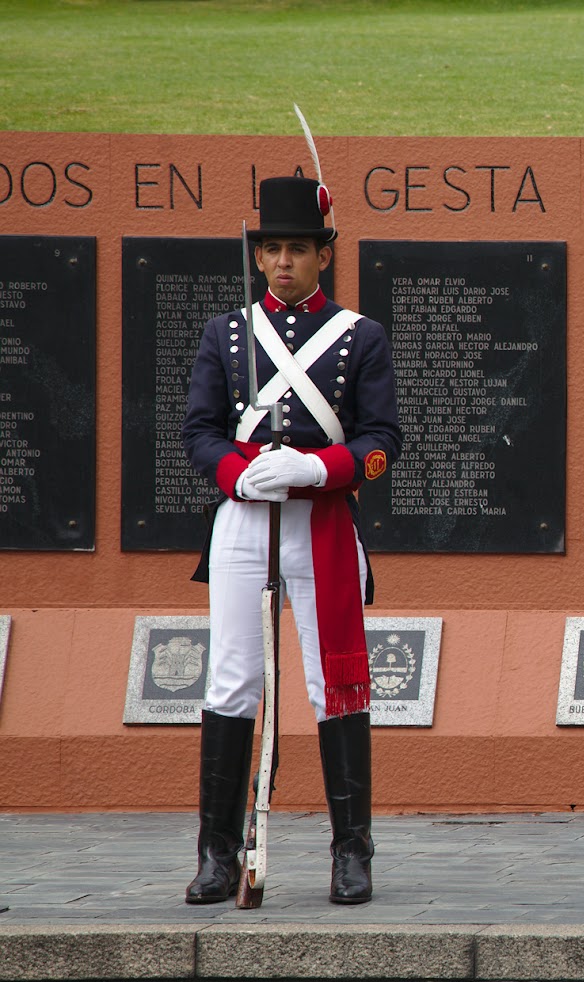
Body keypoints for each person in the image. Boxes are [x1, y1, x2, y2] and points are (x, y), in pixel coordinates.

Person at [181, 175, 401, 905]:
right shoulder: (227, 333)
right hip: (246, 521)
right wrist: (242, 475)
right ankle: (216, 852)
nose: (282, 261)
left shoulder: (359, 337)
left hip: (322, 522)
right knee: (233, 679)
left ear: (322, 256)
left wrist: (317, 465)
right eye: (271, 248)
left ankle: (352, 851)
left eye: (297, 249)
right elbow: (200, 432)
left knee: (334, 684)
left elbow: (381, 440)